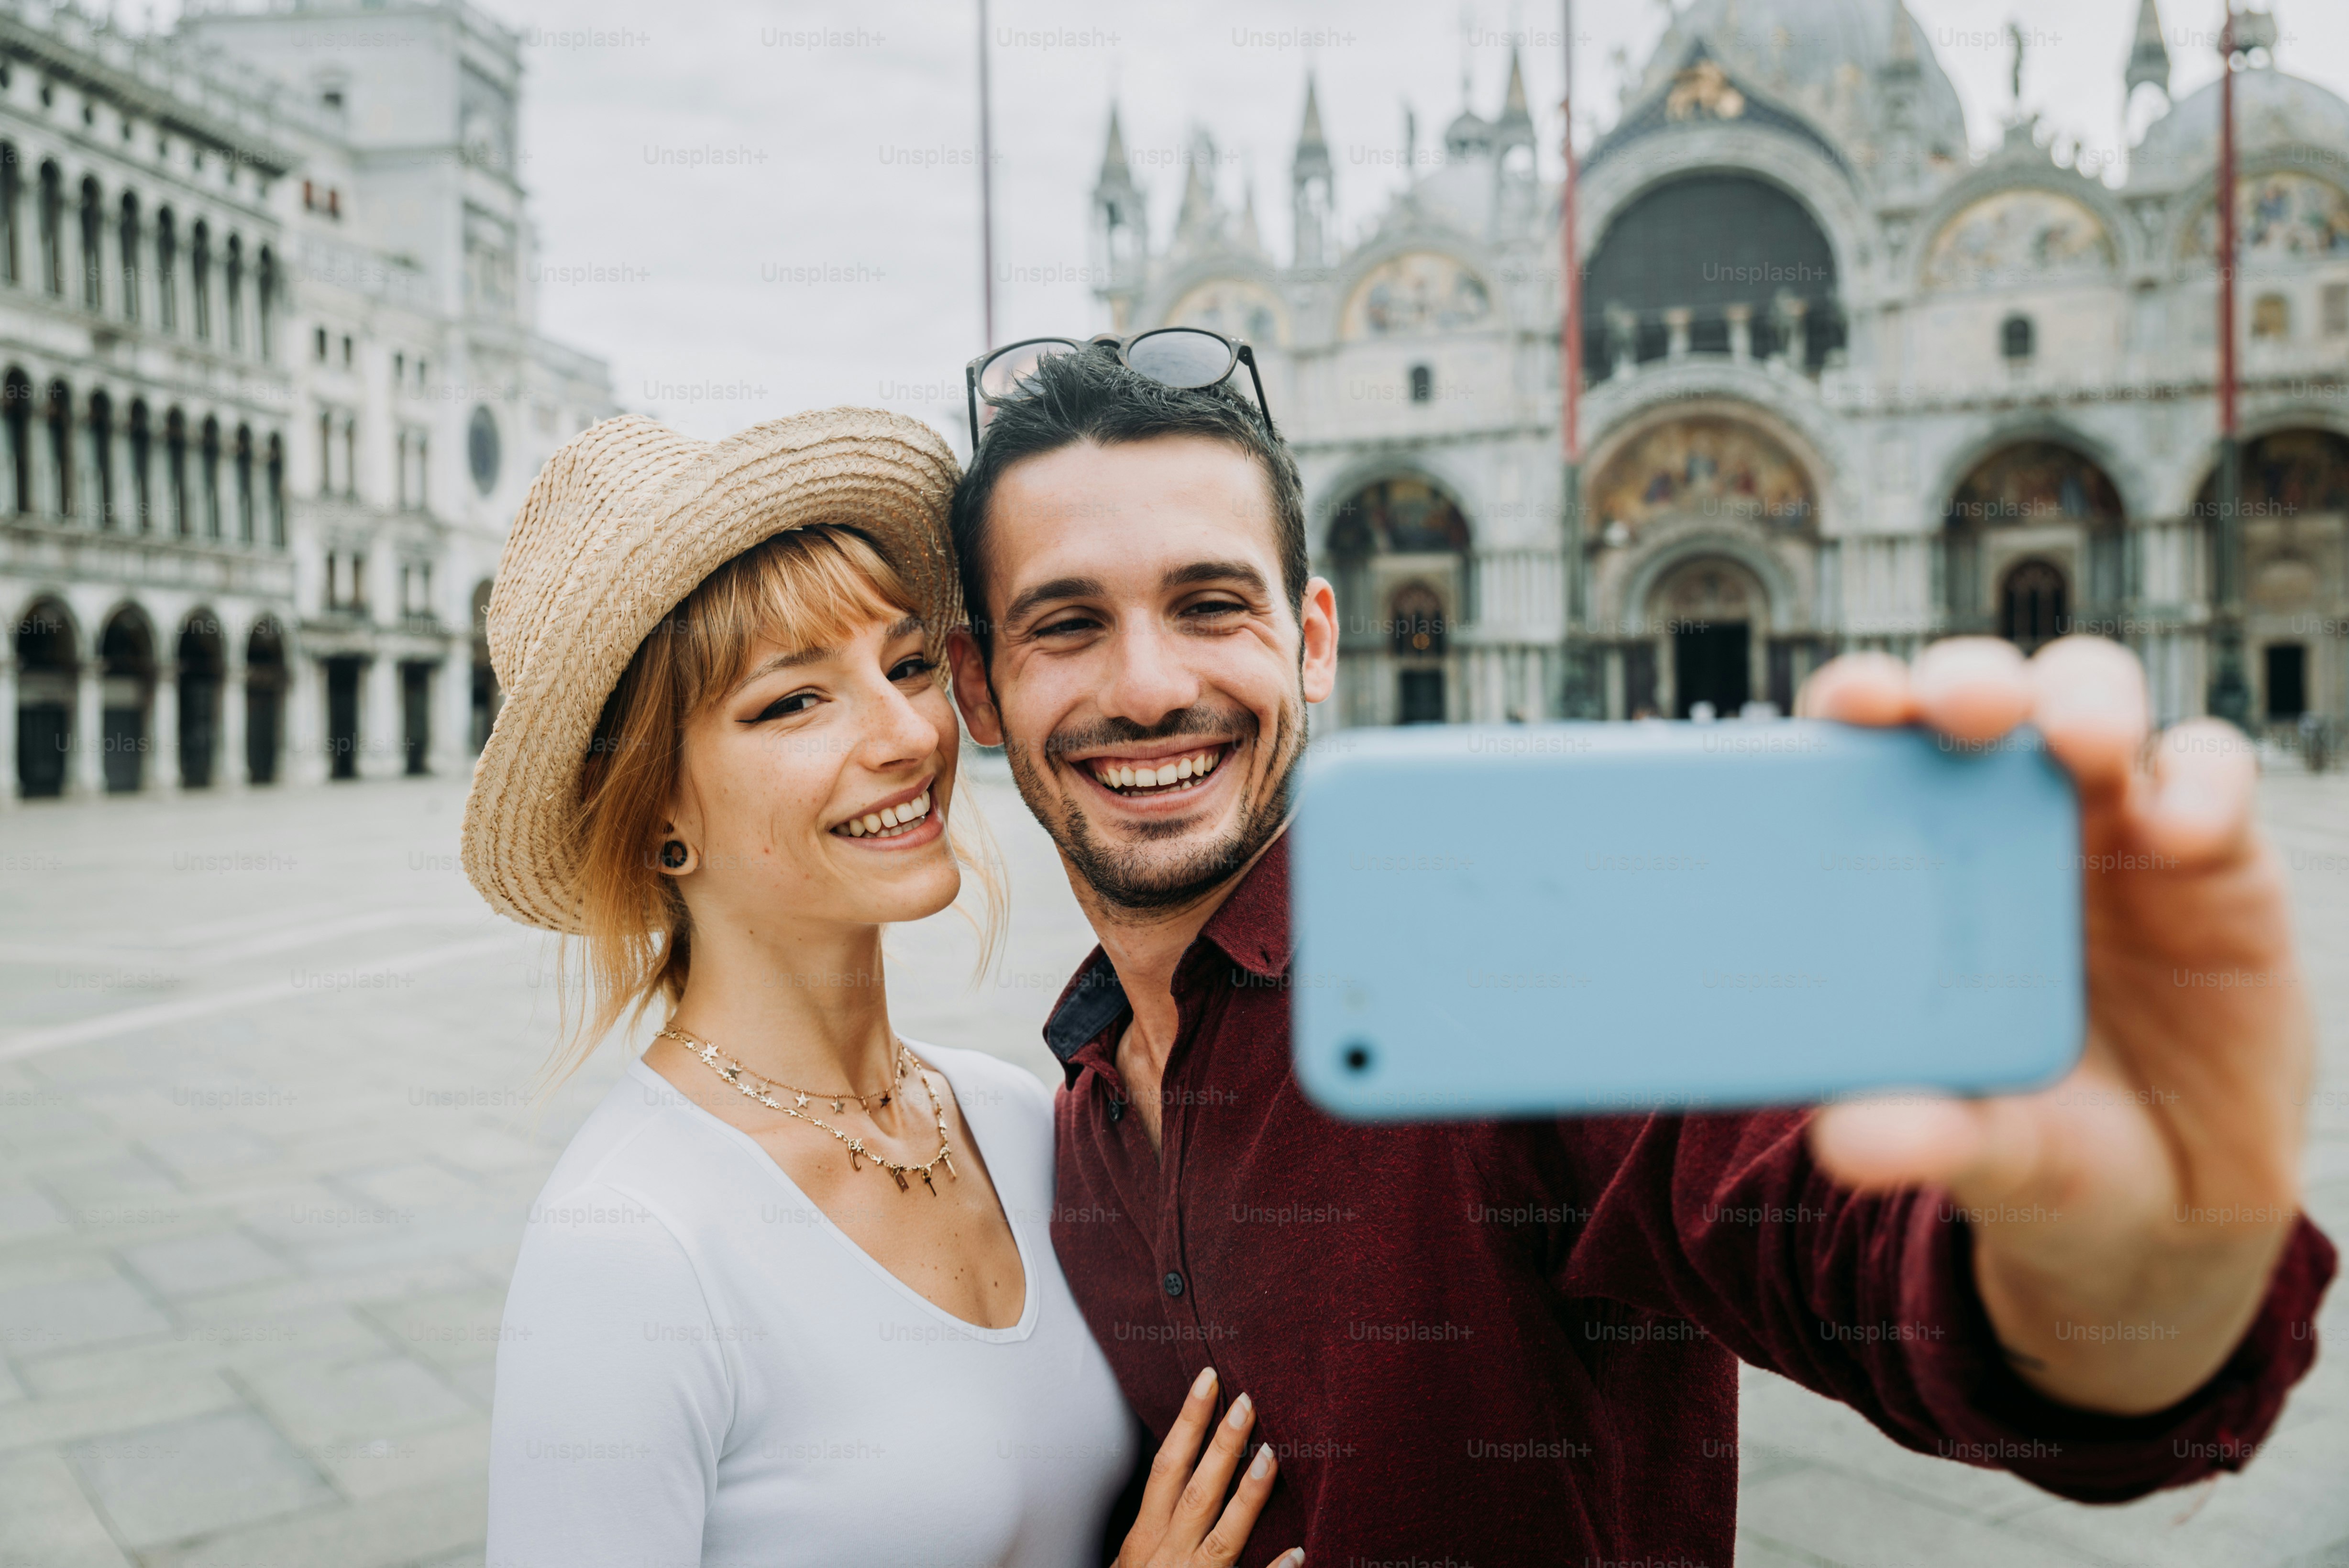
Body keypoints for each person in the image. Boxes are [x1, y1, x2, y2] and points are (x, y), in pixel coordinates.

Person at [941, 337, 2337, 1566]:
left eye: (1211, 603)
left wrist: (2123, 1271)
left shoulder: (1521, 965)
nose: (1148, 686)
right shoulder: (1067, 1123)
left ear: (1314, 639)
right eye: (1067, 624)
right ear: (980, 688)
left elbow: (1837, 1240)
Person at [467, 409, 1300, 1568]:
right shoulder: (631, 1245)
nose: (912, 731)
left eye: (908, 666)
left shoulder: (1021, 1120)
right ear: (655, 805)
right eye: (794, 701)